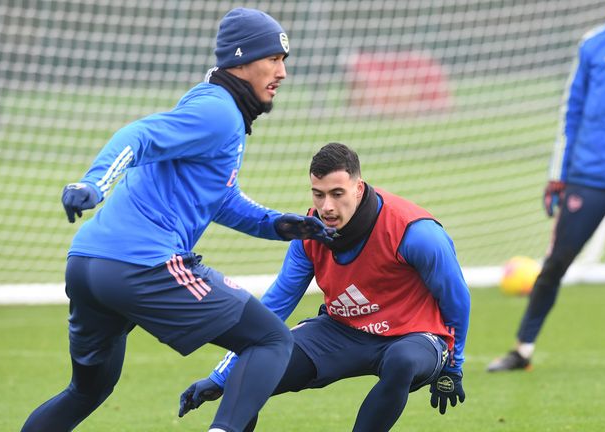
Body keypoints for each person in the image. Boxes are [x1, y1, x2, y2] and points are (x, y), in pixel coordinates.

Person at [21, 8, 336, 432]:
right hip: (141, 264)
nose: (282, 72)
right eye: (273, 59)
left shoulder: (217, 109)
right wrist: (94, 184)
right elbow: (140, 134)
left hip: (88, 263)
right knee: (270, 339)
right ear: (241, 61)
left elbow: (218, 199)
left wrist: (278, 225)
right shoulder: (218, 111)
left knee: (88, 390)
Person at [178, 142, 471, 432]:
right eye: (319, 195)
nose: (326, 206)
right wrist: (221, 377)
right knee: (253, 369)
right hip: (342, 329)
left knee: (402, 362)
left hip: (414, 335)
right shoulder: (309, 233)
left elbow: (456, 299)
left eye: (337, 193)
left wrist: (454, 365)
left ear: (358, 188)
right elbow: (274, 306)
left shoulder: (415, 232)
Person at [487, 0, 605, 372]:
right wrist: (558, 175)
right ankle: (522, 349)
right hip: (589, 178)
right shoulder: (593, 43)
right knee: (555, 265)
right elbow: (571, 111)